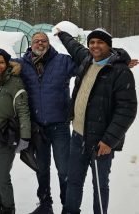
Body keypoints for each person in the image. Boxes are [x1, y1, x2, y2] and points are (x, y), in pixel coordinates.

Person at [0, 28, 76, 214]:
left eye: (43, 40)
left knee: (64, 169)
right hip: (37, 127)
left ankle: (68, 207)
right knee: (42, 168)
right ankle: (45, 204)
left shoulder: (63, 62)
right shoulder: (23, 64)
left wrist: (116, 59)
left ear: (48, 44)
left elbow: (86, 62)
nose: (40, 43)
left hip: (59, 125)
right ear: (31, 44)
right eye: (36, 40)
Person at [55, 28, 137, 214]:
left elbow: (127, 110)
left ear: (109, 45)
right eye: (92, 42)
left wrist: (109, 140)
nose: (95, 46)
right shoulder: (87, 60)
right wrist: (62, 35)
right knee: (74, 180)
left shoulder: (120, 72)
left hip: (101, 141)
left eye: (100, 42)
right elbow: (74, 47)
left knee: (100, 185)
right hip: (77, 136)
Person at [0, 48, 31, 214]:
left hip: (5, 137)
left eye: (1, 62)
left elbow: (23, 109)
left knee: (2, 176)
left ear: (7, 63)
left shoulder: (14, 82)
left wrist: (25, 136)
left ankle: (8, 207)